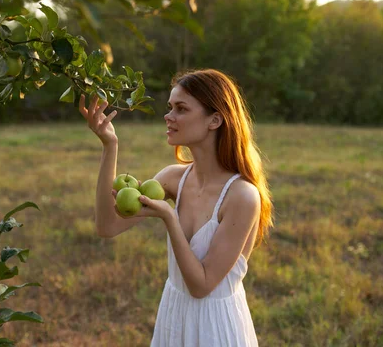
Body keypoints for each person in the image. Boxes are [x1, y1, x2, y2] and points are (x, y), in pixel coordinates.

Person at [79, 68, 274, 346]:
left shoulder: (242, 196)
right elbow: (106, 226)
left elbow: (202, 286)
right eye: (170, 107)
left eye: (181, 109)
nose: (168, 116)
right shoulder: (173, 178)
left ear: (214, 120)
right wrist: (110, 146)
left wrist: (170, 218)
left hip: (216, 327)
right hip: (174, 317)